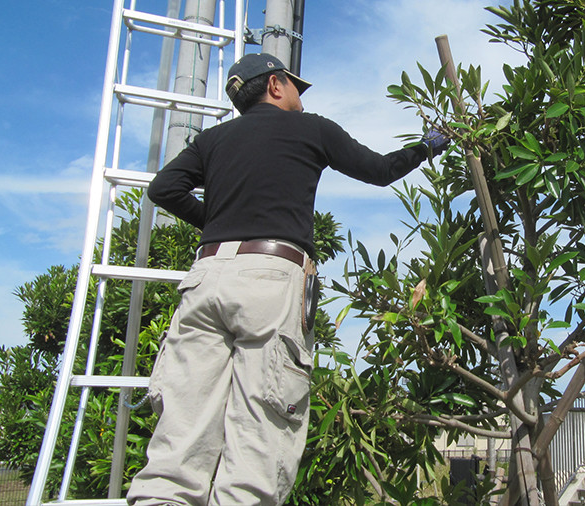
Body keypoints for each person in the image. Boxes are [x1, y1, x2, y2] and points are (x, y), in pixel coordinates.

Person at [126, 52, 448, 506]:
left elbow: (163, 189)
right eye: (296, 85)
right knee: (260, 435)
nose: (300, 95)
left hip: (207, 275)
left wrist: (219, 224)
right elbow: (379, 171)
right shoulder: (312, 129)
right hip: (270, 277)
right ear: (276, 85)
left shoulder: (212, 140)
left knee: (182, 429)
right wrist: (430, 145)